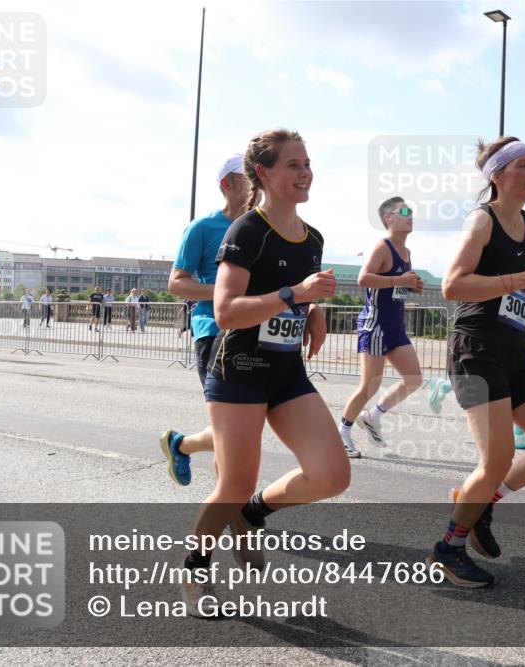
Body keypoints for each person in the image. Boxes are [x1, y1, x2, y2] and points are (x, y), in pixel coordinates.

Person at [180, 129, 348, 617]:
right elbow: (227, 310)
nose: (305, 173)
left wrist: (314, 309)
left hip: (287, 371)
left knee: (333, 474)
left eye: (307, 163)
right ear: (264, 173)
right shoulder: (246, 232)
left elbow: (301, 293)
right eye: (293, 165)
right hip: (240, 370)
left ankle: (254, 514)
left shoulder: (312, 237)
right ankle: (195, 567)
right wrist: (295, 294)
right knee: (232, 482)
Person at [426, 137, 525, 588]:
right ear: (497, 175)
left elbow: (512, 289)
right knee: (496, 459)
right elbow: (453, 286)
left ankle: (481, 502)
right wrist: (520, 278)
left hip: (514, 352)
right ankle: (448, 549)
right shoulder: (480, 222)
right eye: (523, 165)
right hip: (473, 352)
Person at [161, 153, 248, 486]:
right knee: (232, 427)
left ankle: (180, 445)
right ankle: (231, 510)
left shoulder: (262, 227)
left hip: (256, 332)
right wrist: (223, 291)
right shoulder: (203, 228)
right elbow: (176, 281)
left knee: (242, 425)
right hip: (214, 331)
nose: (255, 184)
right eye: (245, 178)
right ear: (226, 184)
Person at [338, 196, 424, 458]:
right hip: (374, 325)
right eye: (405, 211)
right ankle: (341, 434)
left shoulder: (406, 252)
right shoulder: (382, 247)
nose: (410, 216)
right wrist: (400, 279)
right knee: (369, 385)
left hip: (395, 326)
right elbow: (363, 279)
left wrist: (411, 285)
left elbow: (395, 284)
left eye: (412, 211)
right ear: (389, 218)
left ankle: (373, 415)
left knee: (413, 379)